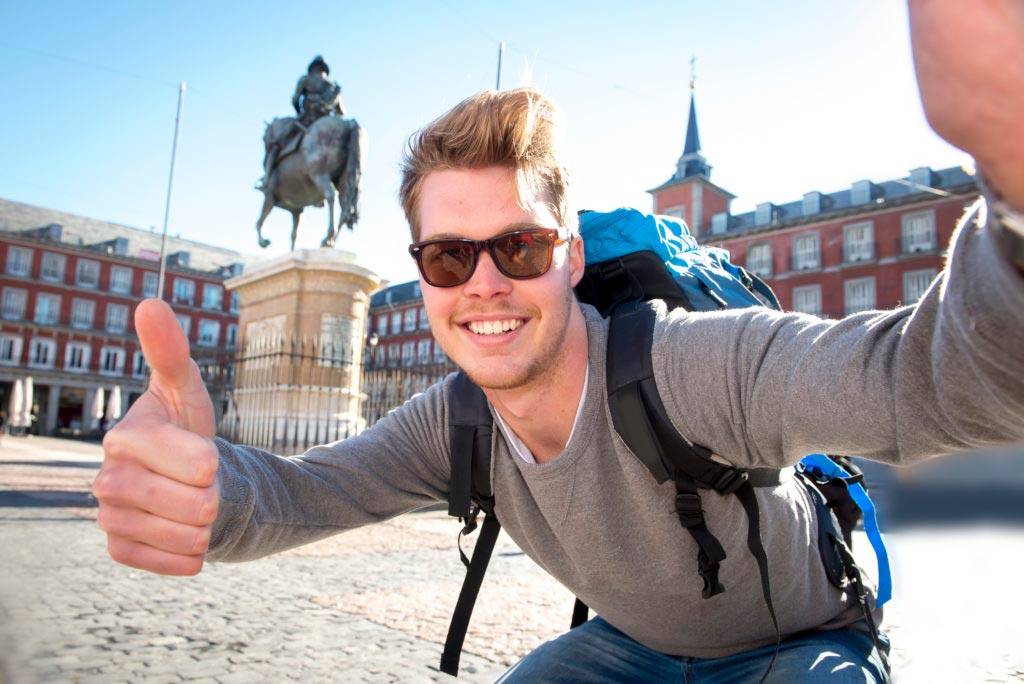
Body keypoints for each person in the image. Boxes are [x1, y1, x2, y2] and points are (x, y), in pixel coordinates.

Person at [95, 2, 1024, 681]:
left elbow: (930, 383)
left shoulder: (696, 368)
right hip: (627, 652)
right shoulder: (453, 421)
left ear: (570, 257)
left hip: (794, 650)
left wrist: (1015, 205)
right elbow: (299, 493)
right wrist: (207, 493)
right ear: (422, 275)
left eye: (520, 246)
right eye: (451, 255)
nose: (487, 283)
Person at [262, 56, 346, 185]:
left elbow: (295, 100)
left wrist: (298, 111)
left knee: (276, 143)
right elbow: (341, 112)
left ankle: (267, 179)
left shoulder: (306, 80)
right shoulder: (333, 86)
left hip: (307, 118)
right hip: (326, 118)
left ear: (312, 68)